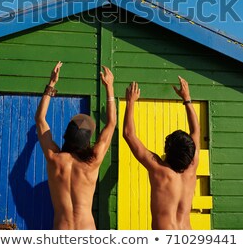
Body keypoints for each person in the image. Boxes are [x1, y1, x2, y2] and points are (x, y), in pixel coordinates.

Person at [35, 61, 116, 230]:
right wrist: (109, 87)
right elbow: (111, 123)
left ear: (66, 136)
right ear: (87, 141)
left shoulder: (54, 158)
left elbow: (40, 119)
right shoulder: (92, 162)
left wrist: (51, 84)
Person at [123, 76, 200, 230]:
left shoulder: (159, 169)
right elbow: (196, 130)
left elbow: (128, 134)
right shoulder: (192, 165)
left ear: (167, 151)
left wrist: (130, 102)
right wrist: (187, 99)